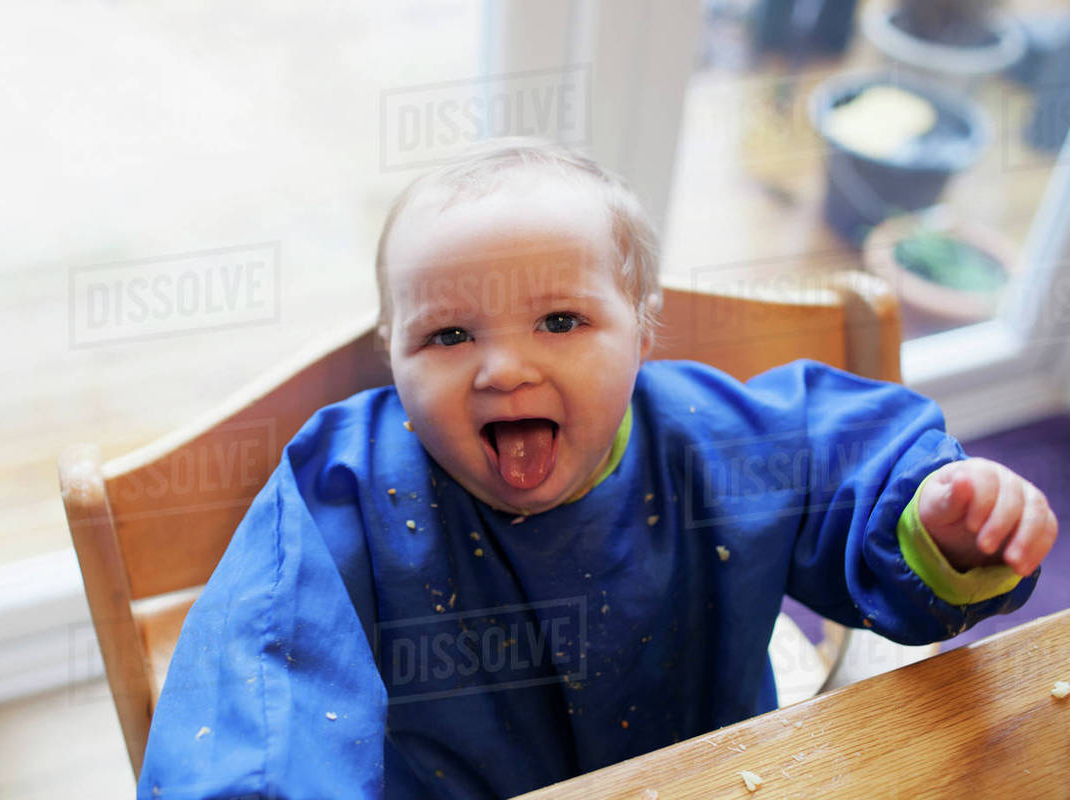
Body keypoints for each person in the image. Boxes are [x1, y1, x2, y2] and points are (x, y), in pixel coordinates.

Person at [137, 139, 1058, 799]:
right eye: (449, 335)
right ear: (393, 350)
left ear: (641, 327)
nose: (503, 369)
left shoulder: (715, 437)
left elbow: (844, 461)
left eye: (561, 322)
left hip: (721, 769)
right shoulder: (342, 482)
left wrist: (939, 523)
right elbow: (261, 680)